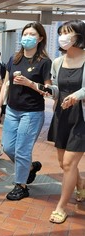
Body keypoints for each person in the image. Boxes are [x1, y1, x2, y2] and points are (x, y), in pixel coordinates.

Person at [0, 22, 52, 201]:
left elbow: (48, 90)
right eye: (25, 33)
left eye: (32, 34)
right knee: (8, 147)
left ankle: (21, 185)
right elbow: (5, 83)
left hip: (32, 113)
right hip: (12, 110)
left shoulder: (44, 62)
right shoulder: (14, 59)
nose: (27, 37)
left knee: (22, 150)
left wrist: (29, 83)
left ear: (40, 38)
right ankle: (29, 168)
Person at [47, 19, 85, 223]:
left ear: (78, 36)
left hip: (82, 117)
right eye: (61, 32)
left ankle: (61, 207)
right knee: (63, 163)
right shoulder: (57, 61)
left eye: (67, 33)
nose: (63, 36)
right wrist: (45, 89)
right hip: (62, 115)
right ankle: (81, 185)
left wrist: (78, 95)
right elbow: (56, 88)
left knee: (70, 163)